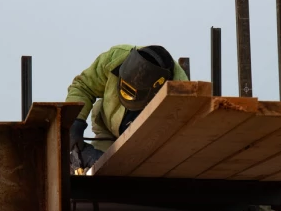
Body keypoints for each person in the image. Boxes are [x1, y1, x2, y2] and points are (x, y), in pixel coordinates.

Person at [65, 44, 189, 172]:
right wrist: (75, 121)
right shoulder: (114, 58)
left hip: (145, 143)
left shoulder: (179, 97)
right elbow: (84, 86)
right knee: (93, 171)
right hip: (107, 129)